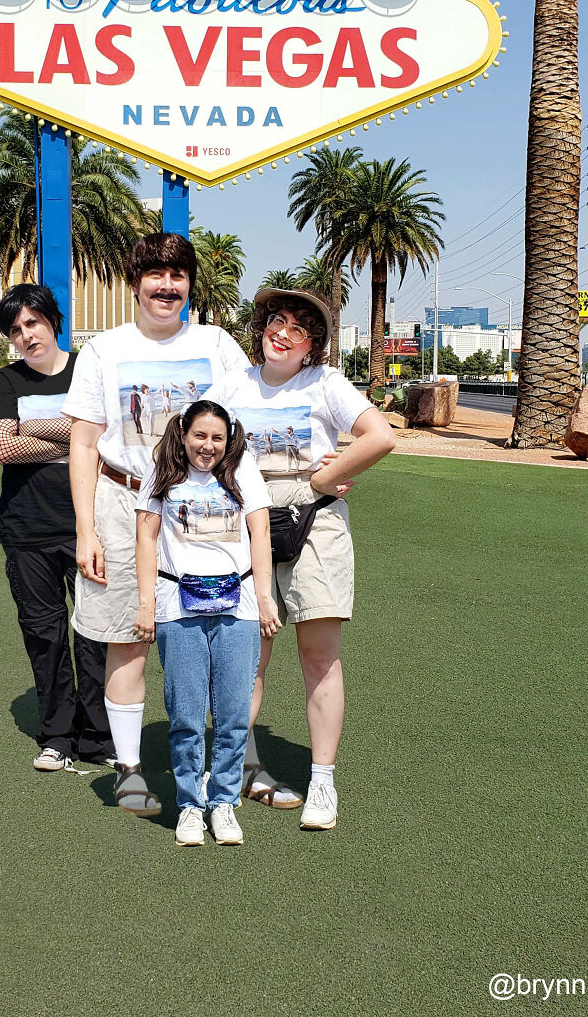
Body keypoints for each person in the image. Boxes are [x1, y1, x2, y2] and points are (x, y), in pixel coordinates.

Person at [64, 232, 248, 817]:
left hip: (207, 509)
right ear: (135, 280)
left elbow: (252, 420)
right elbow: (84, 445)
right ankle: (129, 769)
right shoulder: (103, 351)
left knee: (223, 641)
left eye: (178, 276)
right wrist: (85, 531)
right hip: (124, 504)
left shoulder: (217, 345)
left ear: (190, 284)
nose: (166, 287)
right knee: (128, 638)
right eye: (155, 275)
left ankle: (230, 766)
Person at [208, 286, 395, 829]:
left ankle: (322, 784)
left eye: (298, 328)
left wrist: (325, 477)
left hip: (314, 523)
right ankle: (236, 768)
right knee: (248, 656)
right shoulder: (231, 385)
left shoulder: (326, 384)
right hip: (245, 523)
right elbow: (198, 440)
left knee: (319, 655)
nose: (282, 332)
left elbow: (379, 436)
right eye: (276, 320)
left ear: (312, 345)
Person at [133, 401, 280, 845]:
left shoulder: (243, 471)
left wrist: (265, 595)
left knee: (234, 712)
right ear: (183, 432)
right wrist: (145, 604)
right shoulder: (163, 474)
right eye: (200, 435)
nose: (208, 446)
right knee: (186, 713)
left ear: (228, 438)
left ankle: (223, 802)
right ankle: (190, 805)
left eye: (217, 437)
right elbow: (145, 536)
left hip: (238, 604)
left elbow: (262, 534)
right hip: (177, 603)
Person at [0, 284, 114, 772]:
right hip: (28, 529)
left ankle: (99, 737)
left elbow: (109, 435)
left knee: (96, 635)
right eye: (15, 330)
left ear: (52, 321)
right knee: (45, 635)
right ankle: (57, 735)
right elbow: (4, 448)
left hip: (91, 525)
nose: (25, 336)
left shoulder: (89, 370)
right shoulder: (6, 382)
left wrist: (31, 428)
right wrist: (76, 437)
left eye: (32, 323)